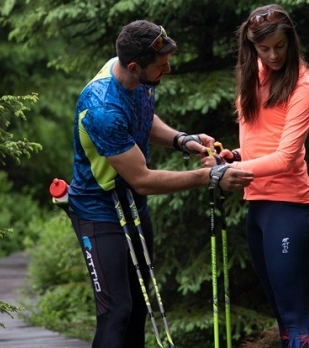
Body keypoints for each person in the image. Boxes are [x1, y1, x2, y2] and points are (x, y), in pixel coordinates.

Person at [67, 19, 254, 348]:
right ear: (136, 66)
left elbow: (143, 116)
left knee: (138, 307)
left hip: (134, 209)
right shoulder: (101, 109)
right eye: (161, 66)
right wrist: (209, 176)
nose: (167, 70)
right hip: (98, 212)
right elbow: (142, 180)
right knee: (117, 312)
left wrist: (183, 140)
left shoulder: (130, 73)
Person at [201, 4, 309, 348]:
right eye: (263, 48)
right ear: (251, 45)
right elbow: (261, 138)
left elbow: (285, 157)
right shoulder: (253, 74)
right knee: (283, 316)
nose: (272, 55)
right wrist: (234, 156)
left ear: (291, 42)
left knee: (296, 315)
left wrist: (232, 170)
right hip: (259, 206)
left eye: (280, 47)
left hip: (290, 205)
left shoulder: (302, 85)